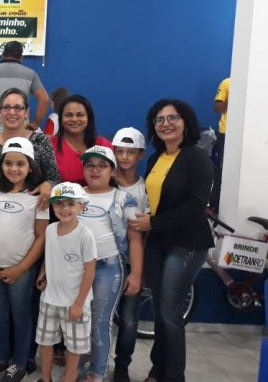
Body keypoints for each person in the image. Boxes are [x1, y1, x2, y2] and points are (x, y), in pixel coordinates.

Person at [128, 99, 214, 382]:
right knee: (160, 311)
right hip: (158, 242)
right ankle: (158, 369)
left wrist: (153, 222)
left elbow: (196, 205)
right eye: (159, 119)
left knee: (170, 312)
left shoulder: (196, 158)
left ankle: (174, 376)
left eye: (172, 117)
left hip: (187, 243)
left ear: (185, 121)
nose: (166, 124)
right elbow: (155, 201)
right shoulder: (156, 158)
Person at [0, 138, 49, 382]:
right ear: (1, 164)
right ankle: (1, 358)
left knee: (21, 315)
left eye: (20, 164)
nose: (14, 169)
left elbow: (41, 236)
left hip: (22, 270)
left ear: (30, 166)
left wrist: (22, 268)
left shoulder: (38, 195)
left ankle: (19, 362)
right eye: (8, 163)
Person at [78, 146, 143, 382]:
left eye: (102, 166)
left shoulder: (124, 199)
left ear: (113, 171)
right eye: (90, 165)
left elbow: (135, 239)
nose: (95, 170)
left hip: (108, 268)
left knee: (100, 321)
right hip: (76, 268)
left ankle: (97, 371)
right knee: (77, 319)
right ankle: (78, 366)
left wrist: (136, 273)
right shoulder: (74, 195)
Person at [35, 182, 96, 382]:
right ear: (52, 206)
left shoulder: (85, 235)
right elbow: (50, 255)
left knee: (73, 348)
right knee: (45, 342)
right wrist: (44, 273)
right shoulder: (50, 230)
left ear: (81, 206)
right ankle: (46, 378)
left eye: (71, 204)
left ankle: (69, 378)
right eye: (59, 203)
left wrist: (78, 303)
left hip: (74, 302)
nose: (64, 208)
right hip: (50, 299)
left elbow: (90, 272)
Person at [110, 127, 150, 382]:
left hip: (130, 261)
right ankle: (92, 363)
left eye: (130, 152)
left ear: (140, 155)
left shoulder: (145, 189)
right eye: (120, 151)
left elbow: (143, 234)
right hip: (103, 262)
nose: (124, 157)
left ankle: (122, 365)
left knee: (129, 319)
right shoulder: (103, 180)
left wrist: (138, 271)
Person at [0, 88, 60, 208]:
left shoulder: (41, 142)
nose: (12, 112)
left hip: (32, 211)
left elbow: (55, 179)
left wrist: (48, 185)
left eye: (18, 107)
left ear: (26, 112)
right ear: (0, 111)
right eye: (6, 107)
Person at [0, 40, 49, 130]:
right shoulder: (30, 74)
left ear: (2, 55)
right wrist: (36, 123)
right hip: (20, 129)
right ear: (21, 57)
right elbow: (45, 99)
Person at [50, 95, 111, 185]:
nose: (74, 119)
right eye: (68, 115)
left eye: (80, 115)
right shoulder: (49, 145)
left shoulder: (104, 145)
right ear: (61, 119)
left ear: (89, 118)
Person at [210, 77, 229, 213]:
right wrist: (239, 96)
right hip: (226, 133)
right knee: (222, 170)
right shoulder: (227, 83)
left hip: (250, 133)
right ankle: (215, 206)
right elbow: (218, 107)